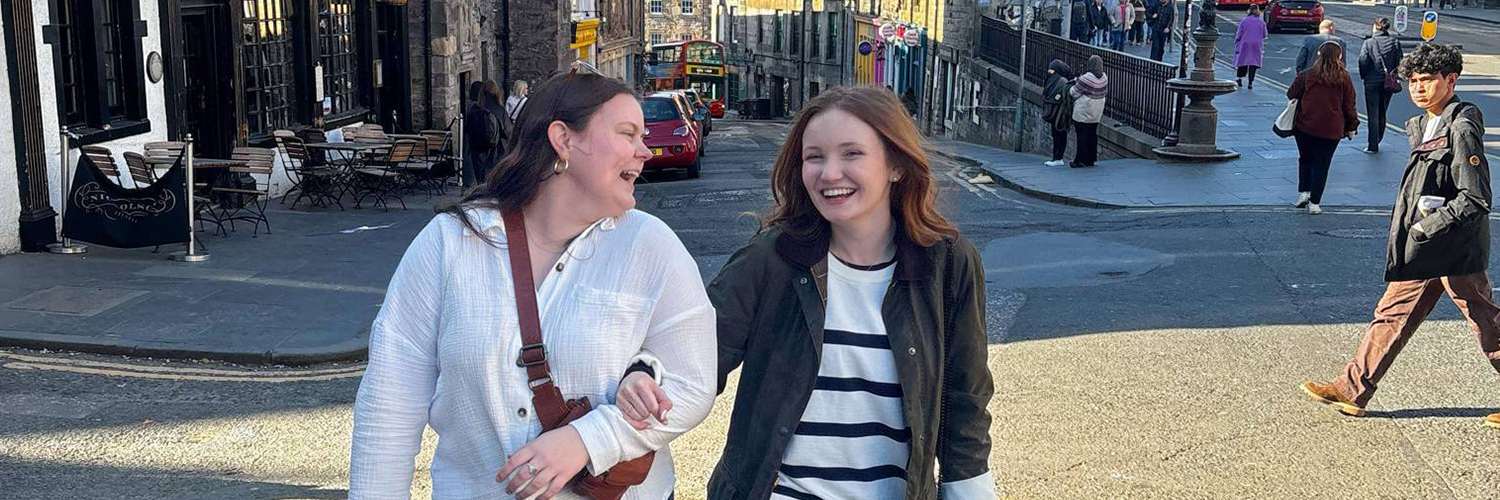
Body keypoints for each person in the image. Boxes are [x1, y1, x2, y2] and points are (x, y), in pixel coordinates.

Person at [350, 71, 719, 499]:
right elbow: (389, 405)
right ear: (563, 139)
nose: (644, 148)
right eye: (627, 133)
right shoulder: (451, 243)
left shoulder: (651, 245)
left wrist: (589, 439)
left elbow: (692, 384)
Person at [618, 86, 997, 500]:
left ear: (896, 165)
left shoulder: (946, 264)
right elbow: (693, 354)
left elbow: (966, 396)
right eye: (814, 157)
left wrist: (969, 489)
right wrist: (644, 371)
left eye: (852, 154)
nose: (829, 173)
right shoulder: (772, 259)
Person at [1302, 42, 1500, 431]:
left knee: (1486, 320)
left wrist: (1427, 226)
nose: (1418, 88)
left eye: (1427, 80)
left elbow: (1475, 197)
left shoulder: (1460, 126)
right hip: (1426, 247)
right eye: (1413, 81)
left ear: (1451, 80)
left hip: (1454, 247)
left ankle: (1353, 386)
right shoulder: (1427, 123)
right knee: (1392, 313)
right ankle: (1352, 389)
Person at [1287, 42, 1358, 215]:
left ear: (1319, 55)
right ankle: (1315, 203)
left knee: (1305, 159)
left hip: (1305, 125)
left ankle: (1304, 192)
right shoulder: (1344, 77)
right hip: (1331, 128)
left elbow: (1291, 93)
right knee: (1322, 164)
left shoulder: (1307, 74)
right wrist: (1352, 126)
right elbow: (1349, 105)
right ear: (1339, 56)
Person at [1358, 17, 1404, 154]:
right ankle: (1378, 138)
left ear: (1375, 27)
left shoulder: (1369, 43)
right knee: (1383, 110)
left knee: (1373, 113)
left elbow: (1363, 62)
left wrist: (1365, 76)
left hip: (1371, 81)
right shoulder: (1395, 42)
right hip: (1388, 82)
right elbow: (1399, 62)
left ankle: (1372, 145)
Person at [461, 82, 501, 187]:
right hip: (492, 145)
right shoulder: (497, 109)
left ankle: (478, 186)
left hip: (476, 145)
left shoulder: (472, 109)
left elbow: (467, 128)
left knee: (478, 172)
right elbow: (507, 130)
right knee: (490, 172)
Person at [1070, 56, 1108, 168]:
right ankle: (1091, 159)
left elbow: (1073, 92)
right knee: (1092, 135)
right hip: (1097, 112)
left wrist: (1076, 82)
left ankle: (1079, 160)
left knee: (1081, 135)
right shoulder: (1104, 77)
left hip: (1084, 111)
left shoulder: (1086, 78)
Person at [1043, 60, 1077, 167]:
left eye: (1052, 69)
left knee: (1060, 134)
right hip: (1055, 111)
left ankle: (1058, 157)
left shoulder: (1062, 81)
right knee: (1055, 134)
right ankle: (1055, 157)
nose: (1050, 71)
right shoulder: (1054, 79)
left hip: (1060, 113)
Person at [1233, 6, 1268, 89]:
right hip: (1256, 44)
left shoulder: (1244, 21)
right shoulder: (1261, 22)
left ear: (1249, 11)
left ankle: (1239, 78)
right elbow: (1264, 34)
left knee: (1242, 61)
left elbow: (1239, 34)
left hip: (1245, 43)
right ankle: (1250, 82)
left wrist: (1237, 41)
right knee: (1253, 63)